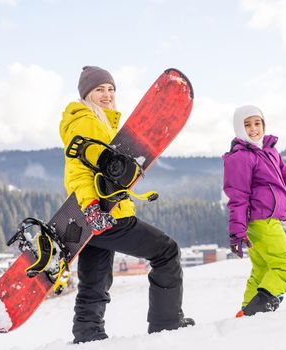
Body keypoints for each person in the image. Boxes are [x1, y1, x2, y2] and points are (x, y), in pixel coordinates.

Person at [59, 66, 194, 343]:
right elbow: (79, 170)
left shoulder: (100, 121)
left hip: (93, 216)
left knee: (95, 277)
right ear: (87, 94)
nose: (107, 94)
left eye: (111, 89)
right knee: (166, 252)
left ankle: (88, 332)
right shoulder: (86, 121)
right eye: (99, 89)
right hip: (104, 212)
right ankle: (166, 322)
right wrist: (91, 206)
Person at [222, 105, 286, 317]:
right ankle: (258, 310)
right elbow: (237, 197)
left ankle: (246, 312)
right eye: (247, 125)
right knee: (285, 266)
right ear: (239, 128)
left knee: (263, 269)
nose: (253, 129)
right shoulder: (240, 157)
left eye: (257, 123)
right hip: (260, 222)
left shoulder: (271, 152)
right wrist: (236, 231)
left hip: (267, 221)